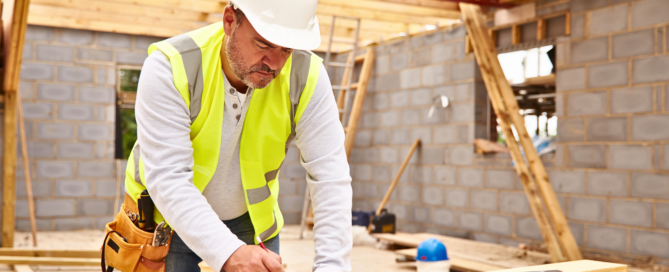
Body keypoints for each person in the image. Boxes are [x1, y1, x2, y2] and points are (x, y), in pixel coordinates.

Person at [125, 0, 352, 271]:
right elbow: (168, 176)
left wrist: (332, 266)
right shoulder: (170, 67)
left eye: (287, 49)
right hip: (166, 220)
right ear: (230, 21)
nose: (275, 64)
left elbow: (330, 175)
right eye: (263, 44)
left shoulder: (307, 77)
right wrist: (229, 252)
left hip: (250, 221)